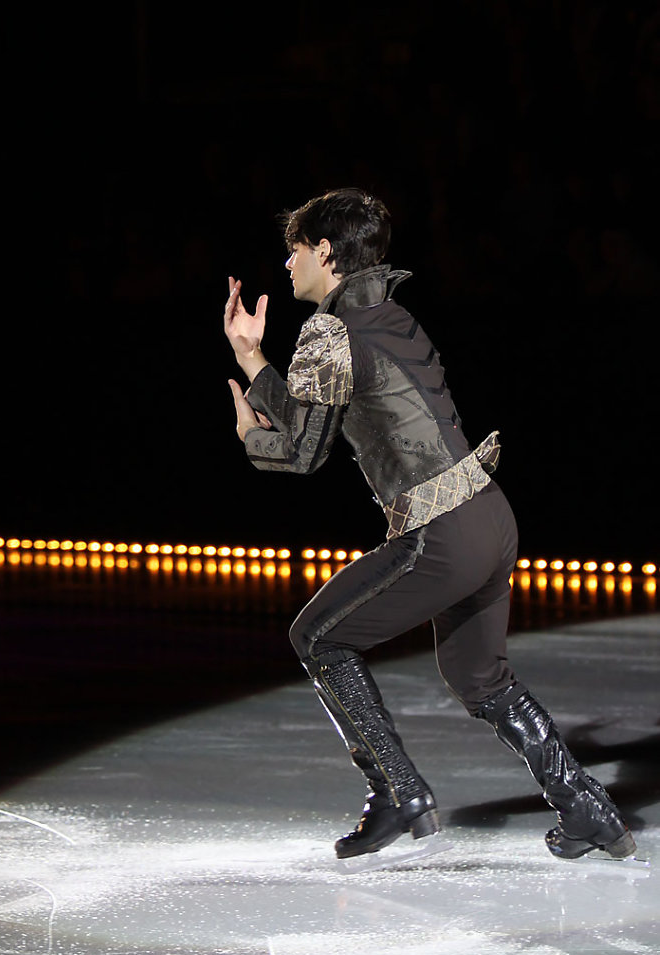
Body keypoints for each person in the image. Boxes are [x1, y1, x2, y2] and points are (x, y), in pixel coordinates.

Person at [223, 187, 635, 865]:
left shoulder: (329, 332)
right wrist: (252, 360)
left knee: (318, 637)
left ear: (324, 250)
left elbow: (301, 450)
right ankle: (587, 809)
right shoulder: (390, 317)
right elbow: (320, 411)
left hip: (440, 531)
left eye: (294, 248)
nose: (288, 262)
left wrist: (248, 433)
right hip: (488, 516)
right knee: (480, 677)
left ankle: (398, 793)